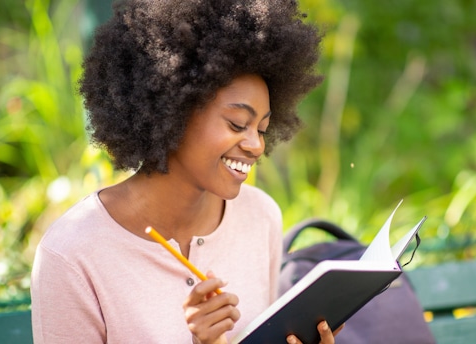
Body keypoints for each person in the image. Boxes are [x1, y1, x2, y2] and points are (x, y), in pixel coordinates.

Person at [30, 0, 333, 343]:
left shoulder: (260, 217)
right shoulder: (72, 255)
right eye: (237, 124)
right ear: (172, 107)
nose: (256, 145)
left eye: (261, 129)